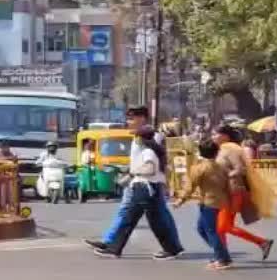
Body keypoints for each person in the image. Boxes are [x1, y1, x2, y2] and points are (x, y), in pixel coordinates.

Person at [85, 106, 183, 259]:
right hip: (140, 183)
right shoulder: (139, 138)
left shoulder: (151, 140)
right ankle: (112, 244)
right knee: (133, 214)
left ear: (142, 118)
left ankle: (171, 247)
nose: (128, 121)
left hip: (147, 184)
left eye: (131, 118)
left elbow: (154, 163)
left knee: (153, 217)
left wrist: (138, 173)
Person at [214, 125, 274, 260]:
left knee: (224, 226)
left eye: (216, 134)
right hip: (225, 192)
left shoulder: (232, 149)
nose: (213, 137)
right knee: (221, 227)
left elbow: (240, 169)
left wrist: (226, 175)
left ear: (225, 136)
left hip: (233, 191)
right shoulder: (222, 149)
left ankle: (261, 242)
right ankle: (222, 256)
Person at [174, 139, 232, 270]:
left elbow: (190, 188)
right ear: (216, 152)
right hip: (221, 202)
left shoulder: (198, 168)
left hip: (208, 203)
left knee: (211, 231)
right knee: (202, 228)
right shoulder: (222, 167)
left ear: (200, 152)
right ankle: (222, 255)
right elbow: (227, 186)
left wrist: (180, 200)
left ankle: (222, 259)